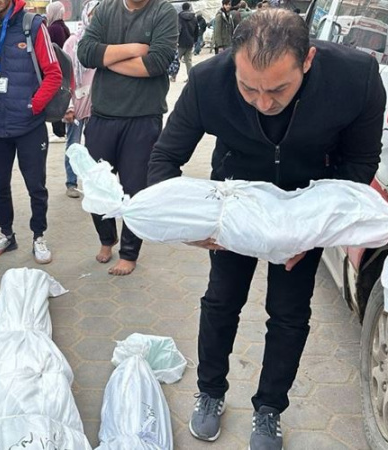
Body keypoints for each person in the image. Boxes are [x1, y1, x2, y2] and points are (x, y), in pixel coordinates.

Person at [147, 10, 386, 450]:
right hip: (236, 205)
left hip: (304, 205)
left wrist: (313, 232)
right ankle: (210, 390)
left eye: (278, 90)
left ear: (307, 60)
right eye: (248, 88)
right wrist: (192, 225)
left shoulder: (357, 79)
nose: (262, 102)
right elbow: (164, 161)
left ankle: (270, 407)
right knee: (221, 301)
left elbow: (359, 165)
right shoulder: (208, 81)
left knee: (289, 312)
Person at [77, 0, 178, 275]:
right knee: (97, 185)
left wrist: (106, 58)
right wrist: (134, 49)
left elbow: (156, 63)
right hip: (102, 115)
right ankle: (107, 239)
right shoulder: (106, 9)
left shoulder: (163, 12)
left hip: (143, 117)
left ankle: (130, 253)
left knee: (136, 189)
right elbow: (85, 53)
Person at [0, 0, 63, 265]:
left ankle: (38, 236)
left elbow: (54, 74)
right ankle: (6, 234)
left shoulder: (34, 24)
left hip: (29, 125)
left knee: (36, 186)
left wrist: (34, 106)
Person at [62, 0, 99, 199]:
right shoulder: (72, 42)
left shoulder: (104, 42)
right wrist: (67, 106)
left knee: (95, 146)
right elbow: (64, 76)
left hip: (97, 105)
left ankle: (93, 184)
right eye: (93, 14)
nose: (96, 18)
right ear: (86, 15)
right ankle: (71, 182)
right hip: (75, 103)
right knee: (74, 144)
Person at [46, 0, 69, 142]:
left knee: (55, 99)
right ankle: (62, 130)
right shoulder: (64, 27)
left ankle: (58, 131)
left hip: (55, 68)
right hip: (65, 68)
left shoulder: (53, 29)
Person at [178, 2, 199, 79]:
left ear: (182, 8)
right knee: (188, 61)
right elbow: (197, 30)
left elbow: (178, 29)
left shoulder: (179, 17)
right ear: (189, 8)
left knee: (176, 60)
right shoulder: (194, 18)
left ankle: (173, 76)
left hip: (181, 42)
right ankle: (190, 77)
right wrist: (195, 40)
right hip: (190, 42)